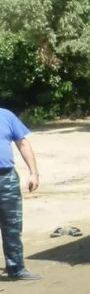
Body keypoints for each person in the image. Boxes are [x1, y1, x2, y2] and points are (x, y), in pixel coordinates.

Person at [1, 107, 41, 281]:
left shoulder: (6, 115)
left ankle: (16, 268)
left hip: (6, 177)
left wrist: (33, 173)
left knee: (12, 225)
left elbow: (23, 143)